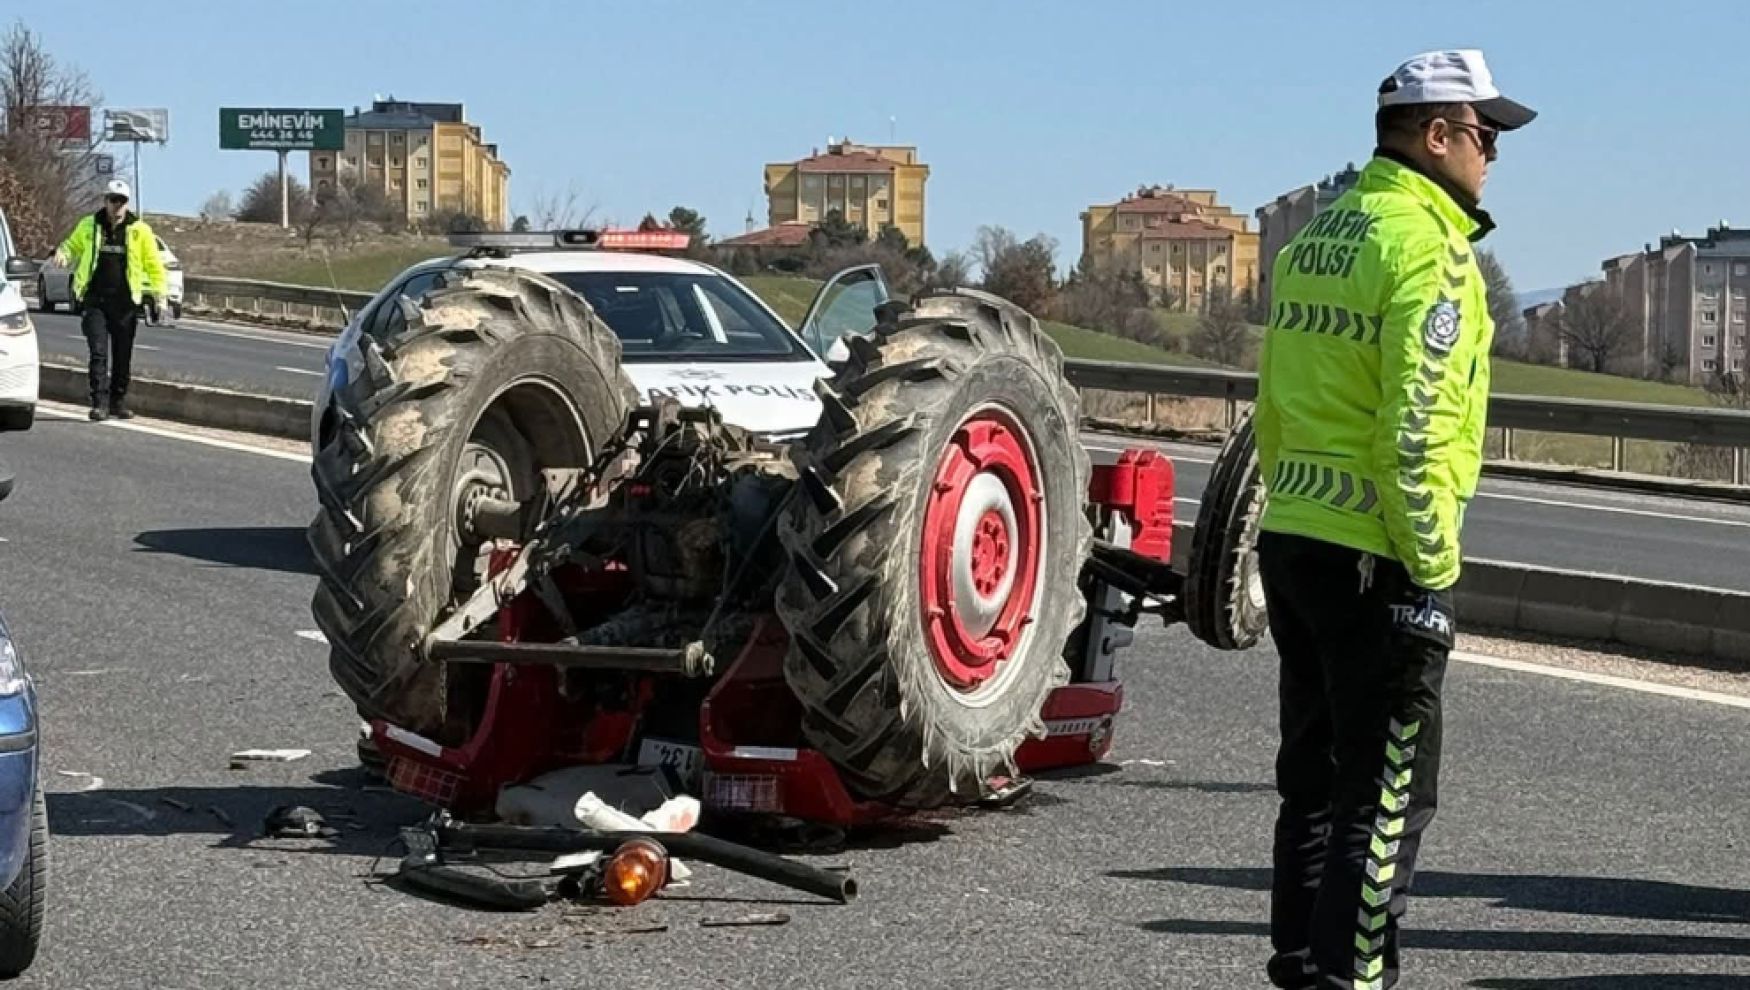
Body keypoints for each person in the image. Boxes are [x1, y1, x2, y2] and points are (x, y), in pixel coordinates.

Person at [1251, 50, 1536, 990]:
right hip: (1380, 556)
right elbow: (1413, 428)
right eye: (1485, 134)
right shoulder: (1431, 252)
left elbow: (1277, 403)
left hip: (1295, 538)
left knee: (1314, 787)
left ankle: (1300, 967)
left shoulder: (1319, 237)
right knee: (1389, 799)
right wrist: (1431, 566)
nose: (1493, 153)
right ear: (1437, 135)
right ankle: (1352, 980)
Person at [53, 178, 168, 421]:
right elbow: (72, 245)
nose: (117, 205)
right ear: (105, 201)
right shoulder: (89, 225)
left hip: (125, 303)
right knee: (98, 352)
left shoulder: (140, 231)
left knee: (122, 354)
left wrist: (159, 295)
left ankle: (118, 401)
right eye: (113, 200)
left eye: (122, 201)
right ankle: (99, 403)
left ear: (127, 204)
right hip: (95, 299)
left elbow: (153, 265)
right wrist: (63, 253)